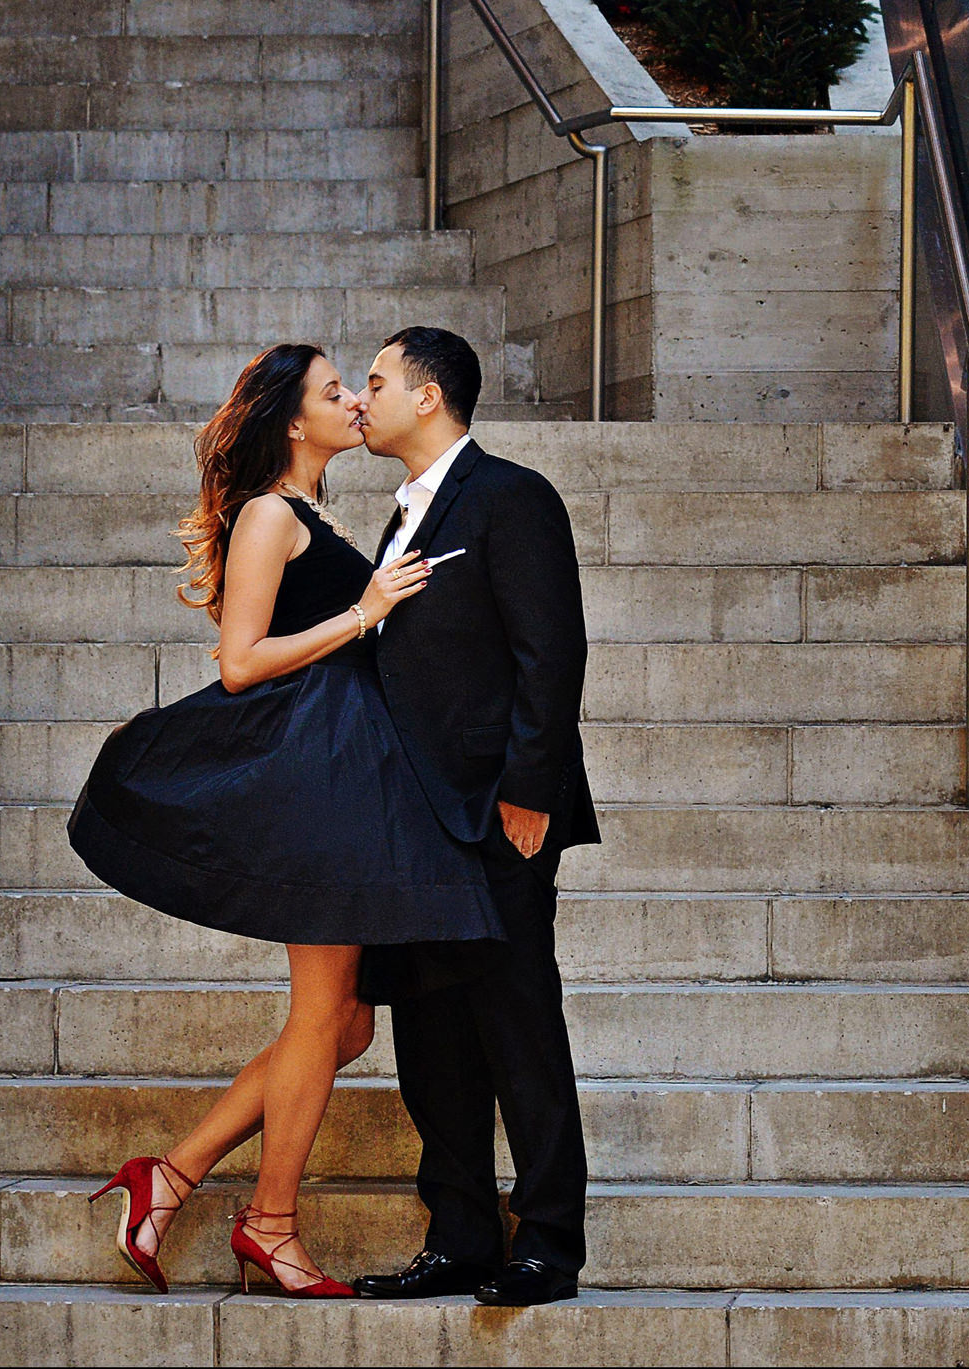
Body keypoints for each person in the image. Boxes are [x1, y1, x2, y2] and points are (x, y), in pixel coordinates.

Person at [69, 343, 497, 1299]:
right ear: (293, 422)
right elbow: (239, 661)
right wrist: (364, 611)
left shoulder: (310, 514)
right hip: (316, 778)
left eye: (357, 385)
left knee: (343, 1026)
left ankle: (170, 1174)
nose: (353, 400)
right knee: (324, 1014)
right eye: (334, 390)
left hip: (342, 776)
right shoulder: (269, 513)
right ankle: (271, 1225)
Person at [348, 327, 598, 1309]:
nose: (361, 399)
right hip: (411, 825)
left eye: (375, 381)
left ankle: (546, 1243)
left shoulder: (509, 498)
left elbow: (551, 651)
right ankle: (460, 1235)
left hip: (496, 813)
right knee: (431, 1035)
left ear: (431, 395)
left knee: (516, 1021)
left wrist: (530, 790)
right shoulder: (401, 516)